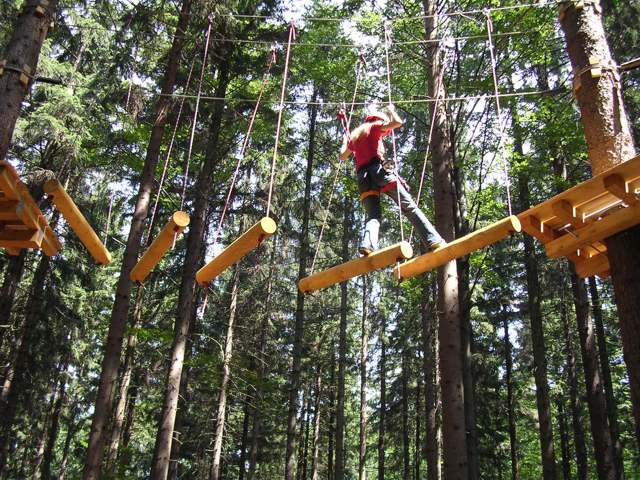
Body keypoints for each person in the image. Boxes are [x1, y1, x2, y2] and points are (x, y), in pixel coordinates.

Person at [340, 104, 445, 256]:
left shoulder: (356, 136)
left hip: (363, 178)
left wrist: (345, 140)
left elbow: (343, 156)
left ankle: (367, 245)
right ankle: (433, 240)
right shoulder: (375, 125)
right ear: (378, 120)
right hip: (378, 171)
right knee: (409, 207)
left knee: (373, 216)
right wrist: (391, 110)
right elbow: (398, 122)